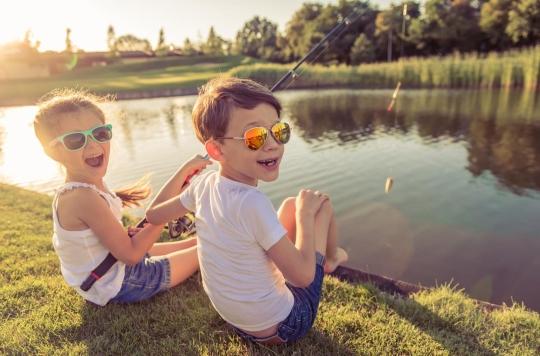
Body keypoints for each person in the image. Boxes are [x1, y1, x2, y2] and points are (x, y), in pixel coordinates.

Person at [146, 77, 348, 344]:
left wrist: (184, 172)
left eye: (278, 130)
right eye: (255, 137)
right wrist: (305, 216)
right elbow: (301, 278)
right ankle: (331, 258)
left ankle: (327, 256)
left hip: (236, 319)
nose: (273, 143)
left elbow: (153, 215)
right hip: (282, 326)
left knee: (288, 204)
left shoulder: (203, 185)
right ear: (216, 149)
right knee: (319, 205)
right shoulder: (252, 203)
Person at [34, 89, 207, 306]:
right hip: (120, 283)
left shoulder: (88, 185)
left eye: (99, 133)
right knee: (210, 248)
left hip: (111, 268)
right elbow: (132, 255)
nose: (93, 145)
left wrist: (182, 172)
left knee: (201, 241)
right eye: (75, 139)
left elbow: (140, 230)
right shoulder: (81, 197)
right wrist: (167, 213)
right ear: (53, 152)